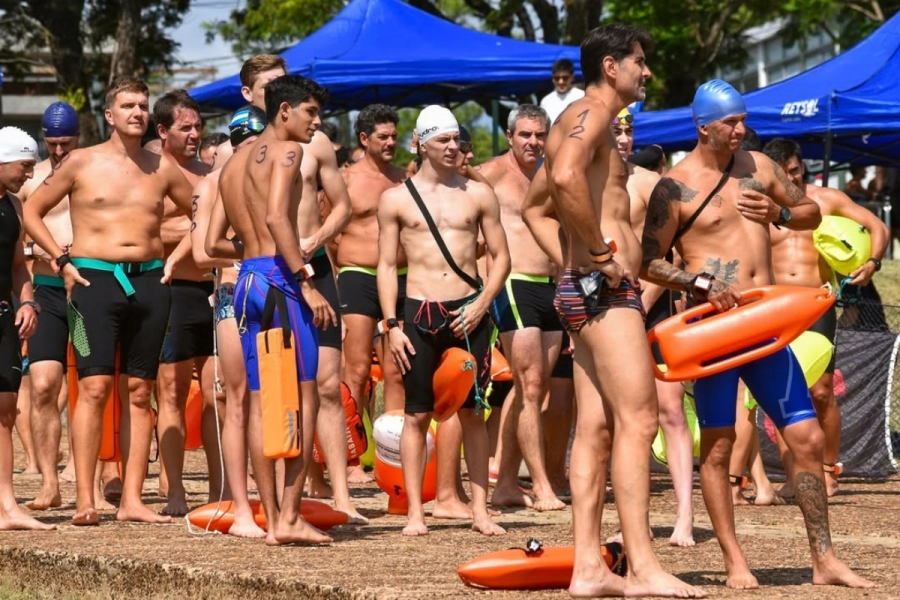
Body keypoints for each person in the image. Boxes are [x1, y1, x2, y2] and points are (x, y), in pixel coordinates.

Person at [640, 78, 875, 590]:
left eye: (743, 119)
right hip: (716, 331)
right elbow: (649, 261)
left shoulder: (760, 167)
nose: (741, 129)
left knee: (807, 437)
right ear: (704, 126)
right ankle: (734, 561)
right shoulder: (674, 186)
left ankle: (824, 559)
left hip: (766, 327)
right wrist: (697, 281)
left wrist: (781, 213)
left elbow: (810, 213)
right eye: (730, 122)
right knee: (720, 448)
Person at [524, 24, 704, 598]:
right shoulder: (591, 114)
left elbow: (535, 207)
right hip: (602, 292)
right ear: (610, 66)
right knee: (639, 421)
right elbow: (567, 178)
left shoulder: (580, 118)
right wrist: (600, 256)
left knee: (598, 429)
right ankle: (644, 567)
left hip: (586, 287)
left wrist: (576, 262)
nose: (646, 71)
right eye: (639, 62)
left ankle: (587, 568)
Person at [23, 76, 194, 526]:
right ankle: (85, 500)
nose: (138, 112)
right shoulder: (82, 162)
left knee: (141, 392)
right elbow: (31, 211)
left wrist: (175, 260)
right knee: (94, 388)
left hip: (150, 282)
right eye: (128, 105)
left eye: (143, 105)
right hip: (94, 281)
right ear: (109, 115)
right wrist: (60, 261)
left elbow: (206, 212)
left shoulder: (162, 167)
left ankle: (132, 501)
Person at [377, 105, 509, 537]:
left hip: (469, 310)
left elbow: (503, 258)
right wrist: (392, 326)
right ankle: (416, 512)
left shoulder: (477, 194)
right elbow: (384, 267)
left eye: (456, 140)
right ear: (421, 145)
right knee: (416, 416)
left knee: (473, 412)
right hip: (418, 313)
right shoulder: (395, 199)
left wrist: (483, 302)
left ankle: (480, 511)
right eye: (443, 141)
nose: (454, 148)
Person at [217, 74, 334, 546]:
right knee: (303, 402)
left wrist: (254, 261)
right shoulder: (290, 152)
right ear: (283, 111)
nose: (316, 123)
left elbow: (210, 242)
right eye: (311, 112)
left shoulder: (232, 164)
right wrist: (306, 281)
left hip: (246, 280)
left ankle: (271, 519)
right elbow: (275, 217)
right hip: (281, 281)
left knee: (261, 404)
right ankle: (286, 519)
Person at [763, 138, 889, 498]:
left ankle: (828, 469)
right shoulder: (764, 207)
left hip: (816, 304)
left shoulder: (826, 200)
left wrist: (873, 262)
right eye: (781, 174)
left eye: (793, 171)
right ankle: (795, 476)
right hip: (775, 307)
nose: (790, 179)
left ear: (801, 165)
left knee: (821, 393)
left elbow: (877, 227)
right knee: (779, 394)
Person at [614, 106, 695, 547]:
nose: (625, 137)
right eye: (617, 129)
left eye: (629, 130)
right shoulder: (588, 185)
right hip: (607, 310)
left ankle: (684, 514)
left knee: (670, 411)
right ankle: (635, 519)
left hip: (651, 305)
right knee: (624, 418)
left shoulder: (650, 185)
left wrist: (642, 302)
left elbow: (674, 255)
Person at [480, 104, 566, 512]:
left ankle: (507, 485)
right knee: (530, 386)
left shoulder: (553, 174)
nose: (533, 142)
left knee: (532, 388)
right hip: (513, 284)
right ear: (511, 136)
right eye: (525, 135)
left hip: (552, 286)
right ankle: (543, 486)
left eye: (539, 135)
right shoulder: (492, 174)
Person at [194, 106, 268, 538]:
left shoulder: (278, 177)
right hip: (232, 294)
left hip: (274, 293)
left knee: (278, 398)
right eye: (241, 143)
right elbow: (204, 252)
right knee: (239, 400)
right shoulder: (216, 182)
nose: (249, 150)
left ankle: (273, 499)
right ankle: (240, 507)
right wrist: (254, 252)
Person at [152, 90, 225, 517]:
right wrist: (187, 245)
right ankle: (175, 489)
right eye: (186, 127)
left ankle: (221, 489)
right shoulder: (153, 173)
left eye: (198, 126)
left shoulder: (212, 172)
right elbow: (147, 232)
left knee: (221, 394)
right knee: (173, 393)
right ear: (163, 132)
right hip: (173, 291)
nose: (196, 134)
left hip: (213, 289)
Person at [336, 104, 407, 484]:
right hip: (357, 275)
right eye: (383, 136)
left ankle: (390, 458)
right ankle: (351, 458)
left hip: (399, 277)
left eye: (394, 135)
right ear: (364, 139)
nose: (391, 142)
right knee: (358, 369)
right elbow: (328, 240)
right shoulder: (345, 180)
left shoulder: (405, 179)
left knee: (397, 370)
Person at [17, 102, 80, 511]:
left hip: (89, 286)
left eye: (66, 143)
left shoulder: (91, 171)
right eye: (51, 143)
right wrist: (41, 251)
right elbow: (16, 236)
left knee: (93, 387)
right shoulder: (31, 179)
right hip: (46, 288)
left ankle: (91, 473)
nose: (58, 151)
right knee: (42, 386)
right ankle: (48, 481)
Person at [0, 127, 52, 531]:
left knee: (4, 409)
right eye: (24, 166)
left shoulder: (15, 206)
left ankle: (7, 507)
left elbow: (19, 266)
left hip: (4, 313)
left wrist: (29, 302)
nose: (28, 175)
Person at [539, 59, 586, 124]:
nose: (561, 82)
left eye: (565, 78)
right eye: (557, 78)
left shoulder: (582, 96)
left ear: (572, 77)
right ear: (553, 79)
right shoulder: (546, 101)